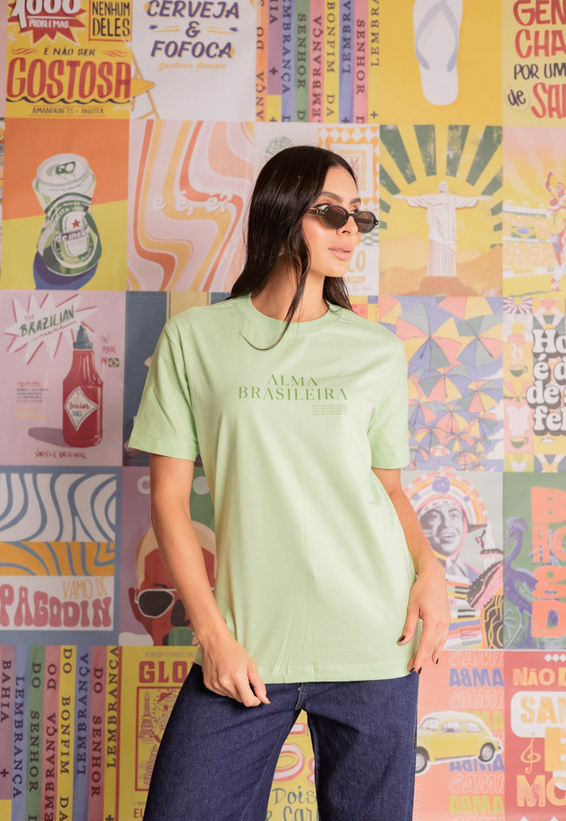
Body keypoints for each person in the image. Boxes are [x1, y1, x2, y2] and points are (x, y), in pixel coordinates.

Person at [129, 145, 451, 820]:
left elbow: (388, 488)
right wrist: (212, 637)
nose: (350, 230)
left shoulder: (375, 350)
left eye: (359, 216)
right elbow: (168, 500)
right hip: (249, 644)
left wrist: (430, 569)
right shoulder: (195, 339)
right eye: (331, 212)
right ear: (281, 213)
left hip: (374, 639)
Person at [393, 181, 489, 277]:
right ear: (439, 187)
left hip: (448, 230)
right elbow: (419, 199)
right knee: (435, 249)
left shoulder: (451, 199)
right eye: (441, 185)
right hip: (436, 228)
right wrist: (404, 197)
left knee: (448, 249)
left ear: (447, 187)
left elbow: (464, 201)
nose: (443, 186)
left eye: (444, 185)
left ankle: (449, 274)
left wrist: (479, 199)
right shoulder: (432, 198)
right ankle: (434, 274)